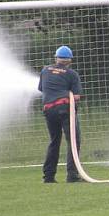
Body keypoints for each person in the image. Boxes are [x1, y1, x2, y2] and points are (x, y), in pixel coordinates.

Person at [38, 45, 83, 183]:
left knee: (54, 141)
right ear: (70, 60)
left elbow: (41, 89)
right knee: (73, 141)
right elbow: (76, 97)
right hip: (65, 108)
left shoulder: (45, 70)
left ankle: (49, 177)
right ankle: (72, 175)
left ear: (56, 58)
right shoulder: (72, 74)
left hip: (48, 109)